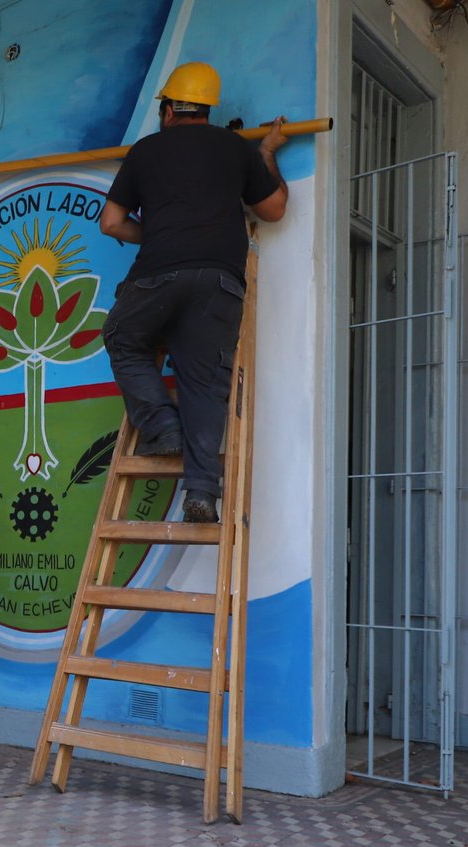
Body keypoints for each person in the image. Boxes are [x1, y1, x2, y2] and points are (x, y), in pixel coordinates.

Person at [99, 61, 288, 523]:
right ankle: (201, 494)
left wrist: (158, 232)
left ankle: (163, 427)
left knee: (122, 337)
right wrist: (266, 152)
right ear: (207, 110)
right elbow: (274, 209)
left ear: (168, 110)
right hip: (221, 279)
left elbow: (110, 222)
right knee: (204, 383)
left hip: (158, 275)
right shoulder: (235, 148)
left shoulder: (146, 152)